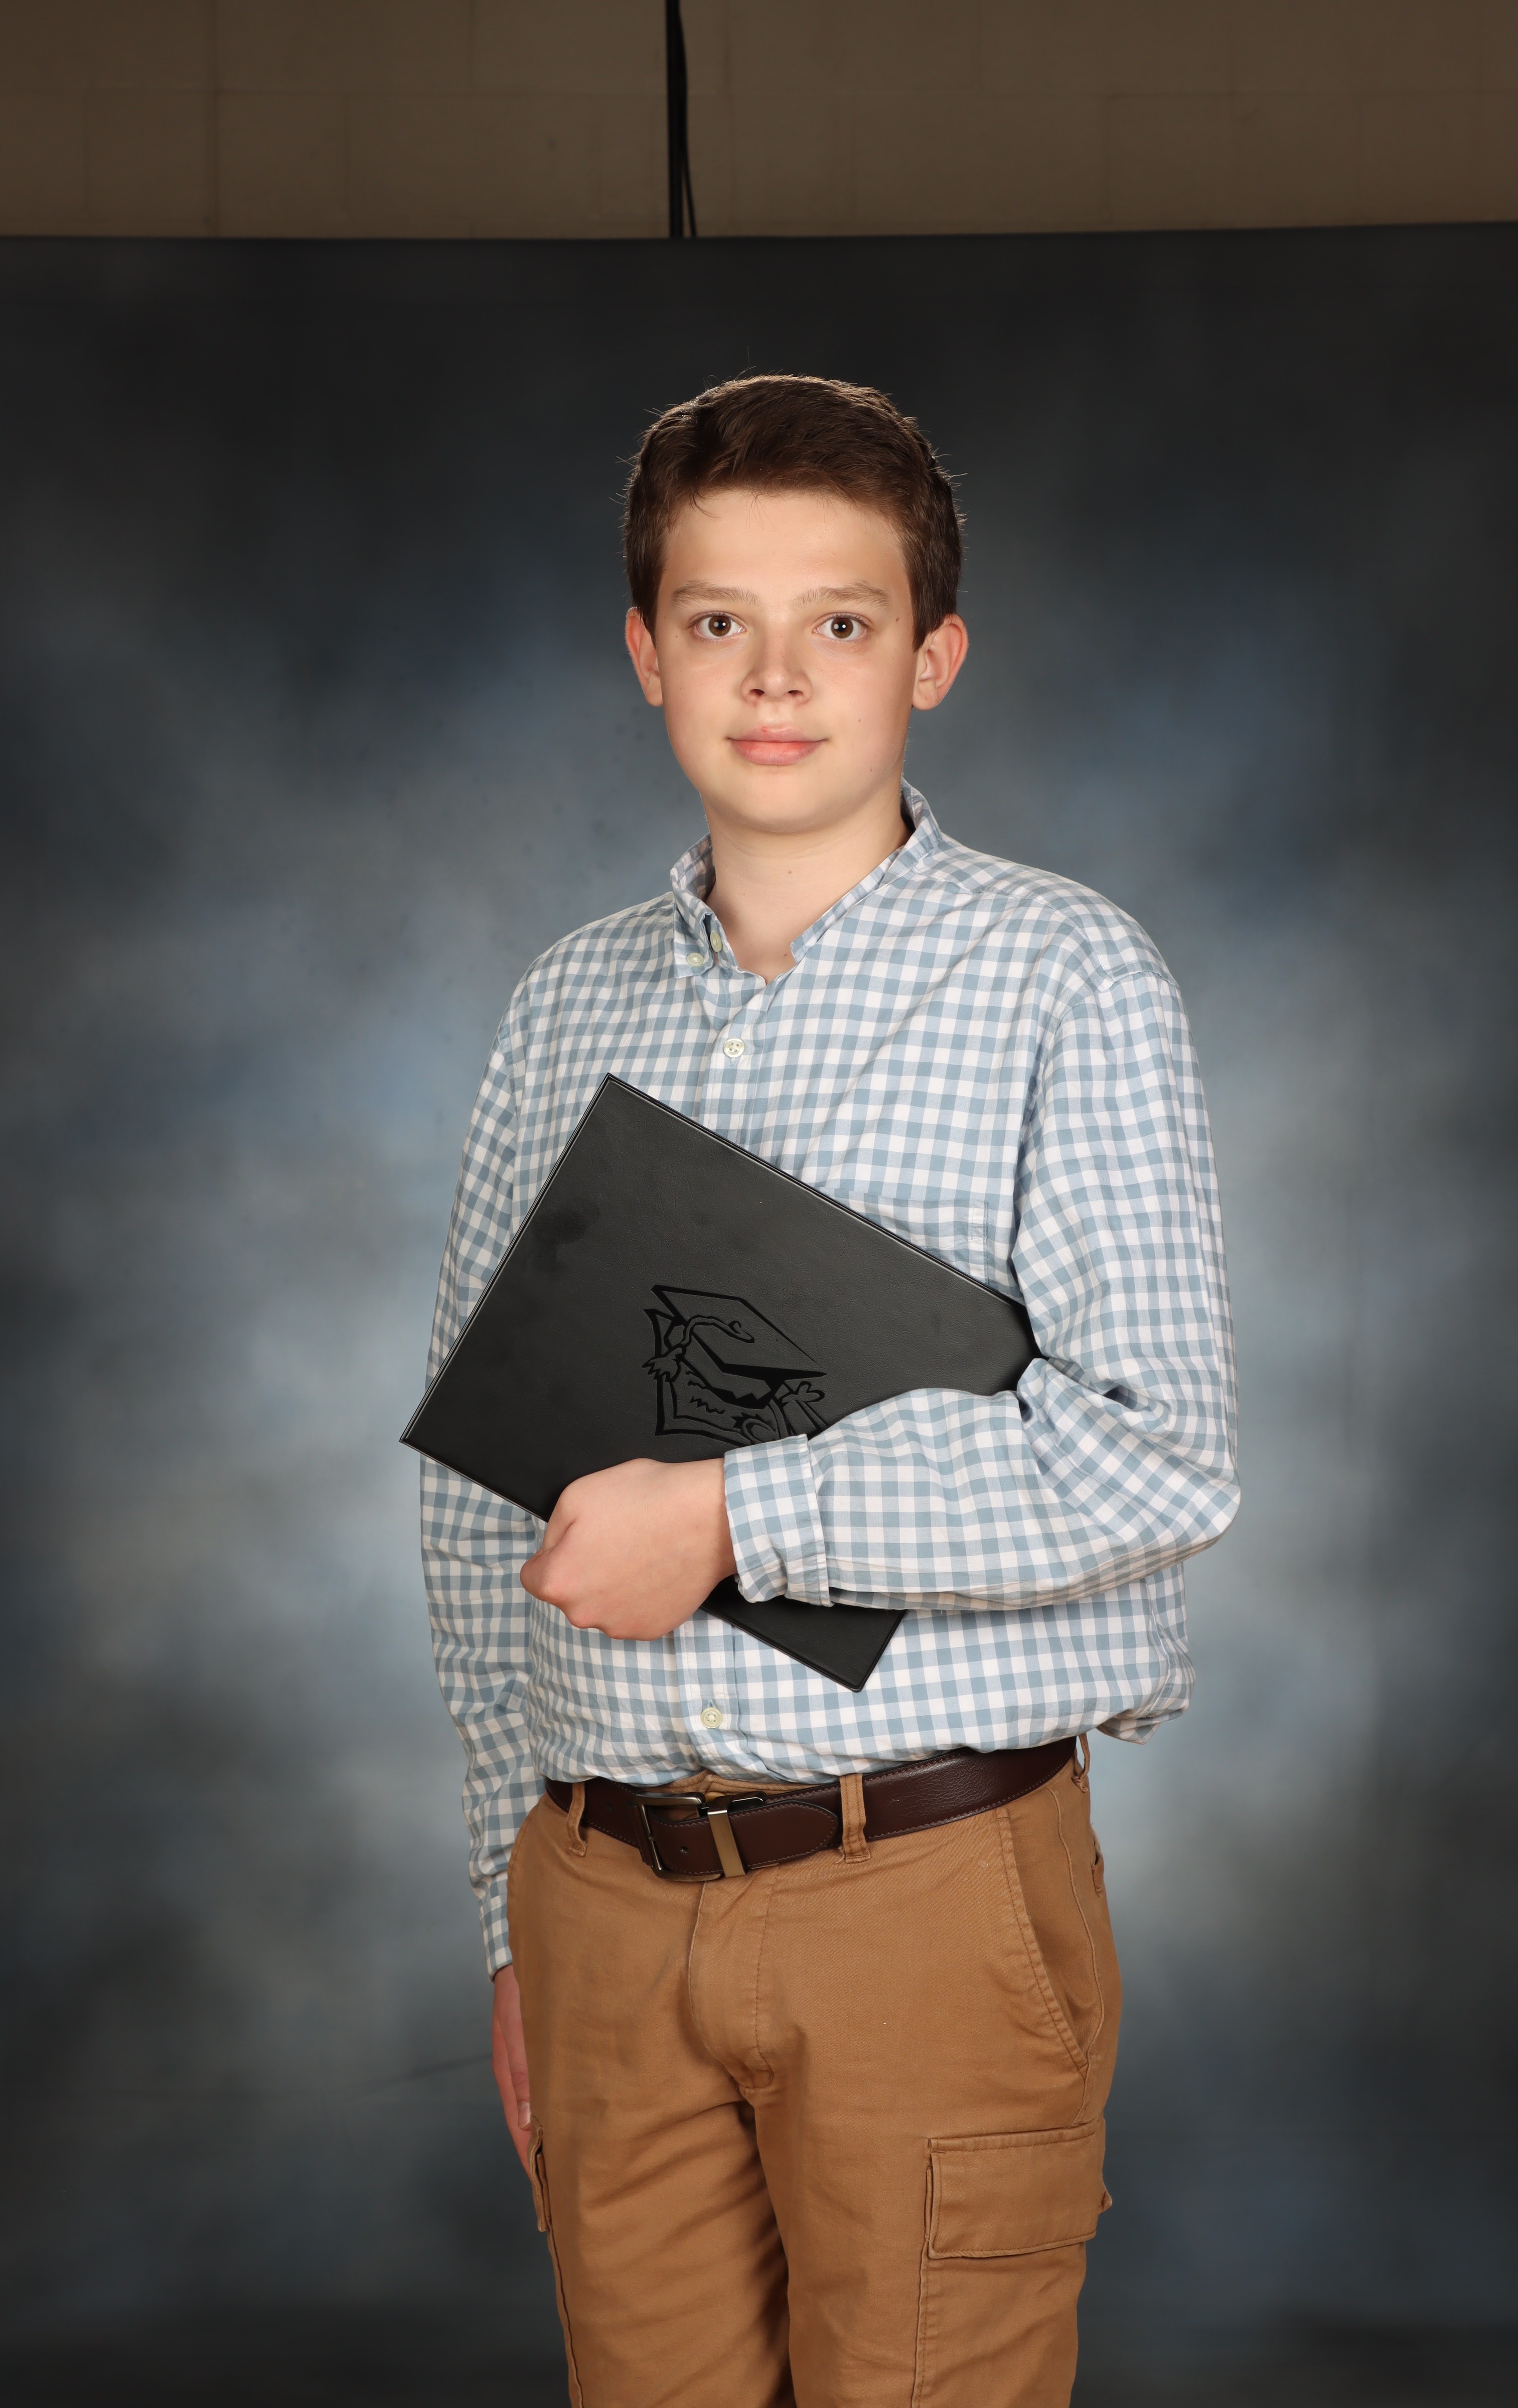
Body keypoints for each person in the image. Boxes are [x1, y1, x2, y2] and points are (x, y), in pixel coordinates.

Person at [421, 374, 1238, 2408]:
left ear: (931, 657)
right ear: (647, 653)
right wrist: (507, 1912)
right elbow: (474, 1500)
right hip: (599, 1900)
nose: (774, 678)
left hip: (924, 1892)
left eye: (841, 622)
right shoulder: (563, 1006)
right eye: (719, 621)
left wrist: (733, 1517)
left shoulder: (1064, 978)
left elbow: (1152, 1453)